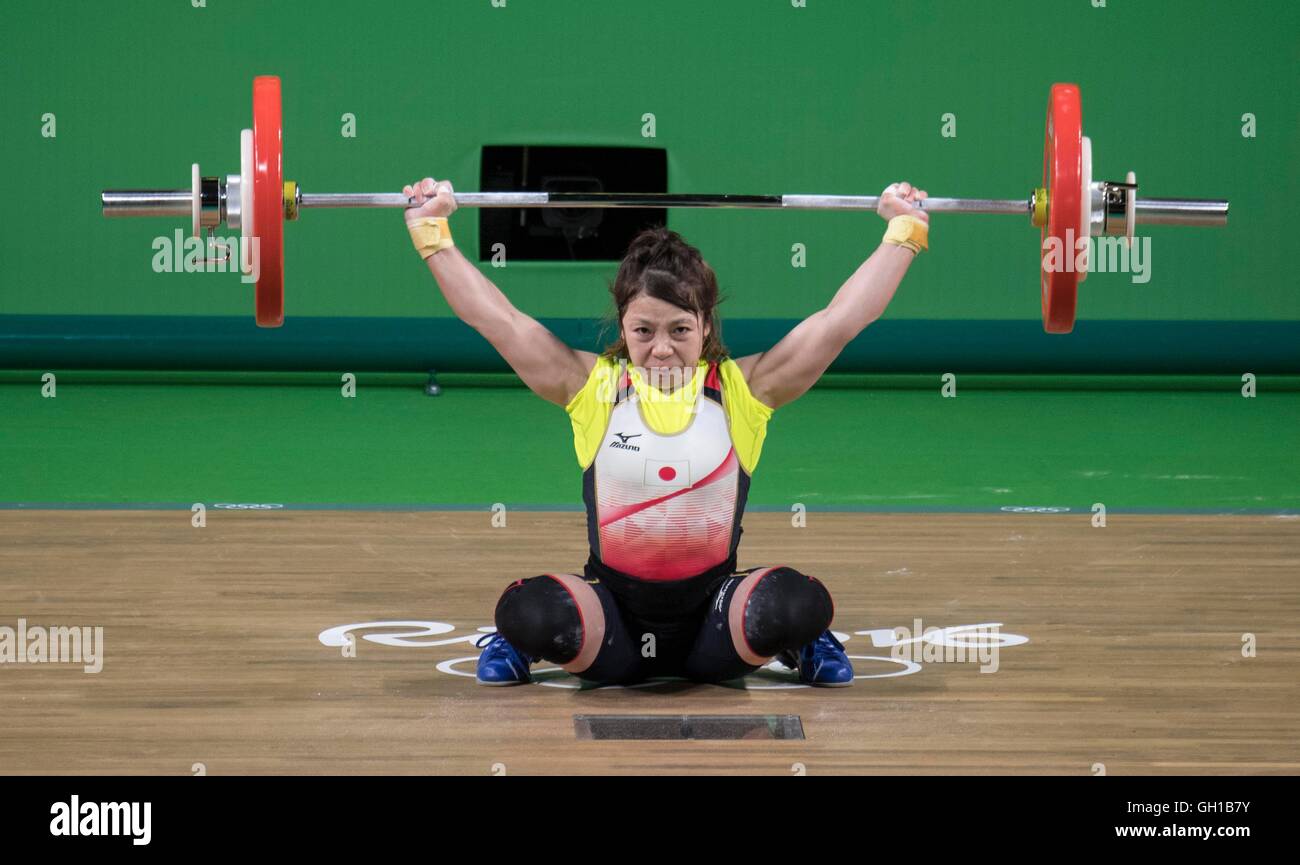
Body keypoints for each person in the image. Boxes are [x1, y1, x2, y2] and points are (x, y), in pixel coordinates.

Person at [402, 176, 929, 687]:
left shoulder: (745, 389)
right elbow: (499, 320)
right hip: (612, 622)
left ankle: (803, 640)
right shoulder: (592, 386)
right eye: (643, 331)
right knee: (528, 611)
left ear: (705, 326)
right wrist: (433, 232)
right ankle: (517, 642)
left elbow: (842, 320)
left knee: (798, 604)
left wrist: (903, 230)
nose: (661, 348)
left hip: (716, 625)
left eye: (680, 330)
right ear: (622, 326)